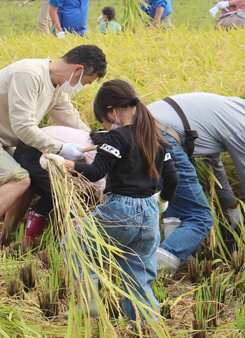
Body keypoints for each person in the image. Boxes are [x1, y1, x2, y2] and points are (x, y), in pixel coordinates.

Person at [0, 45, 107, 251]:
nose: (82, 86)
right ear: (78, 69)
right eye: (86, 82)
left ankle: (4, 241)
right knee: (19, 179)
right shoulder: (28, 74)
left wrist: (94, 144)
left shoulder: (56, 87)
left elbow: (71, 120)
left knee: (28, 178)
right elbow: (23, 127)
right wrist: (61, 147)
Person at [45, 79, 178, 322]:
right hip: (149, 212)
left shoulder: (116, 138)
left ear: (111, 111)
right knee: (138, 278)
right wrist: (163, 201)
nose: (105, 126)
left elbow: (96, 172)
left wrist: (64, 162)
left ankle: (90, 300)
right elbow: (172, 178)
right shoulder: (156, 138)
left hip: (120, 210)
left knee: (74, 242)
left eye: (104, 121)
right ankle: (150, 326)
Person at [148, 92, 245, 276]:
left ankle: (175, 256)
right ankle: (158, 268)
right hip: (164, 137)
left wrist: (231, 205)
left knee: (179, 199)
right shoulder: (242, 127)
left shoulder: (227, 110)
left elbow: (214, 164)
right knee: (200, 217)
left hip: (142, 128)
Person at [12, 125, 105, 247]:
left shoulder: (88, 138)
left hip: (30, 149)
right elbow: (101, 190)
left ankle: (29, 240)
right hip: (35, 151)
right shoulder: (95, 151)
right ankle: (74, 244)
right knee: (68, 196)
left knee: (53, 194)